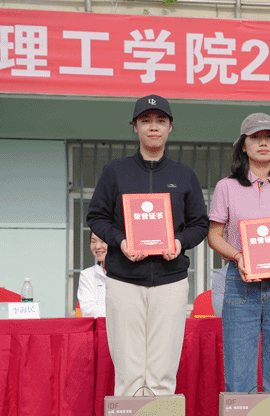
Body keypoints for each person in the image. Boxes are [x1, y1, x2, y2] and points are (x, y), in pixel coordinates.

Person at [86, 93, 209, 397]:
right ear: (135, 127)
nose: (154, 126)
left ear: (170, 127)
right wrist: (121, 241)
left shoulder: (184, 175)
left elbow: (199, 224)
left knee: (162, 372)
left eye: (160, 121)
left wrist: (179, 242)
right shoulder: (115, 171)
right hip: (124, 280)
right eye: (146, 120)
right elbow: (96, 216)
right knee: (128, 373)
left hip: (171, 281)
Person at [206, 113, 270, 394]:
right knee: (239, 376)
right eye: (256, 137)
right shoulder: (227, 186)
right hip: (240, 284)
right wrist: (239, 256)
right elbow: (214, 236)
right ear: (243, 145)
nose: (263, 143)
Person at [77, 232, 108, 317]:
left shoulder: (129, 272)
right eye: (93, 242)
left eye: (102, 241)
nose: (97, 246)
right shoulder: (86, 275)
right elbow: (87, 310)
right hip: (100, 325)